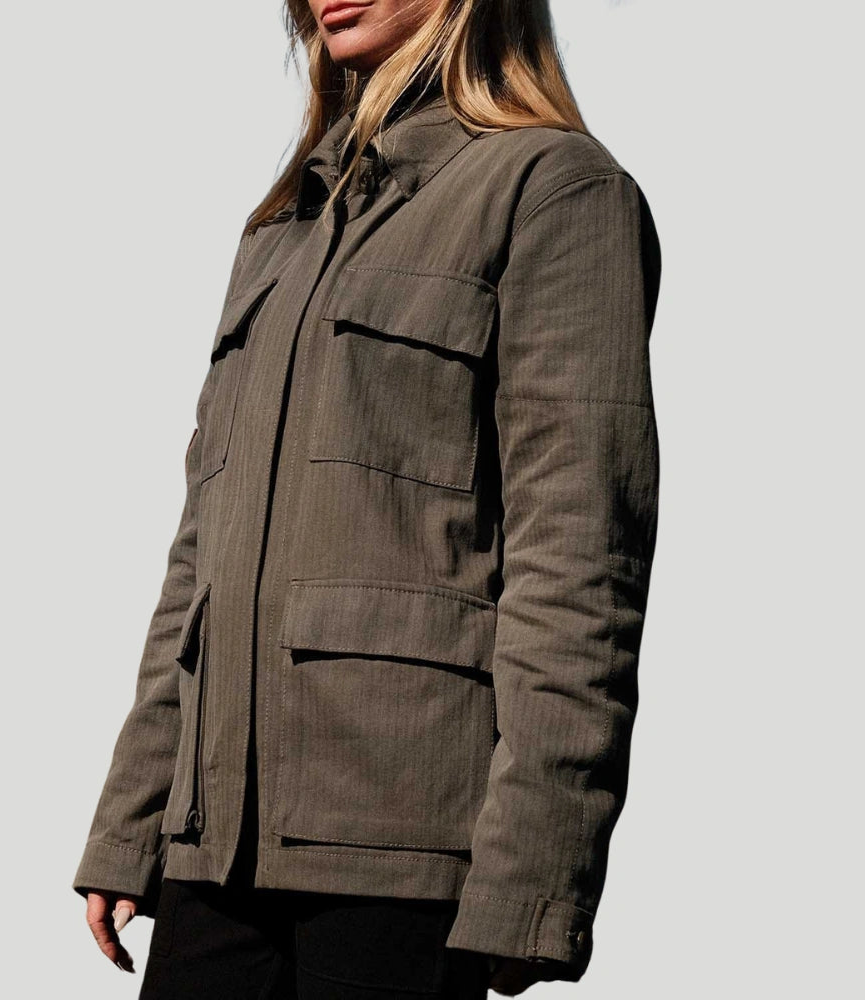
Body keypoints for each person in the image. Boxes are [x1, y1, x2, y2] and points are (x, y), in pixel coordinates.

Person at [72, 1, 662, 996]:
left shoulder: (554, 189)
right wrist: (133, 820)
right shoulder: (282, 228)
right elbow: (201, 559)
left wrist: (535, 874)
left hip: (409, 850)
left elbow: (579, 559)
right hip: (217, 848)